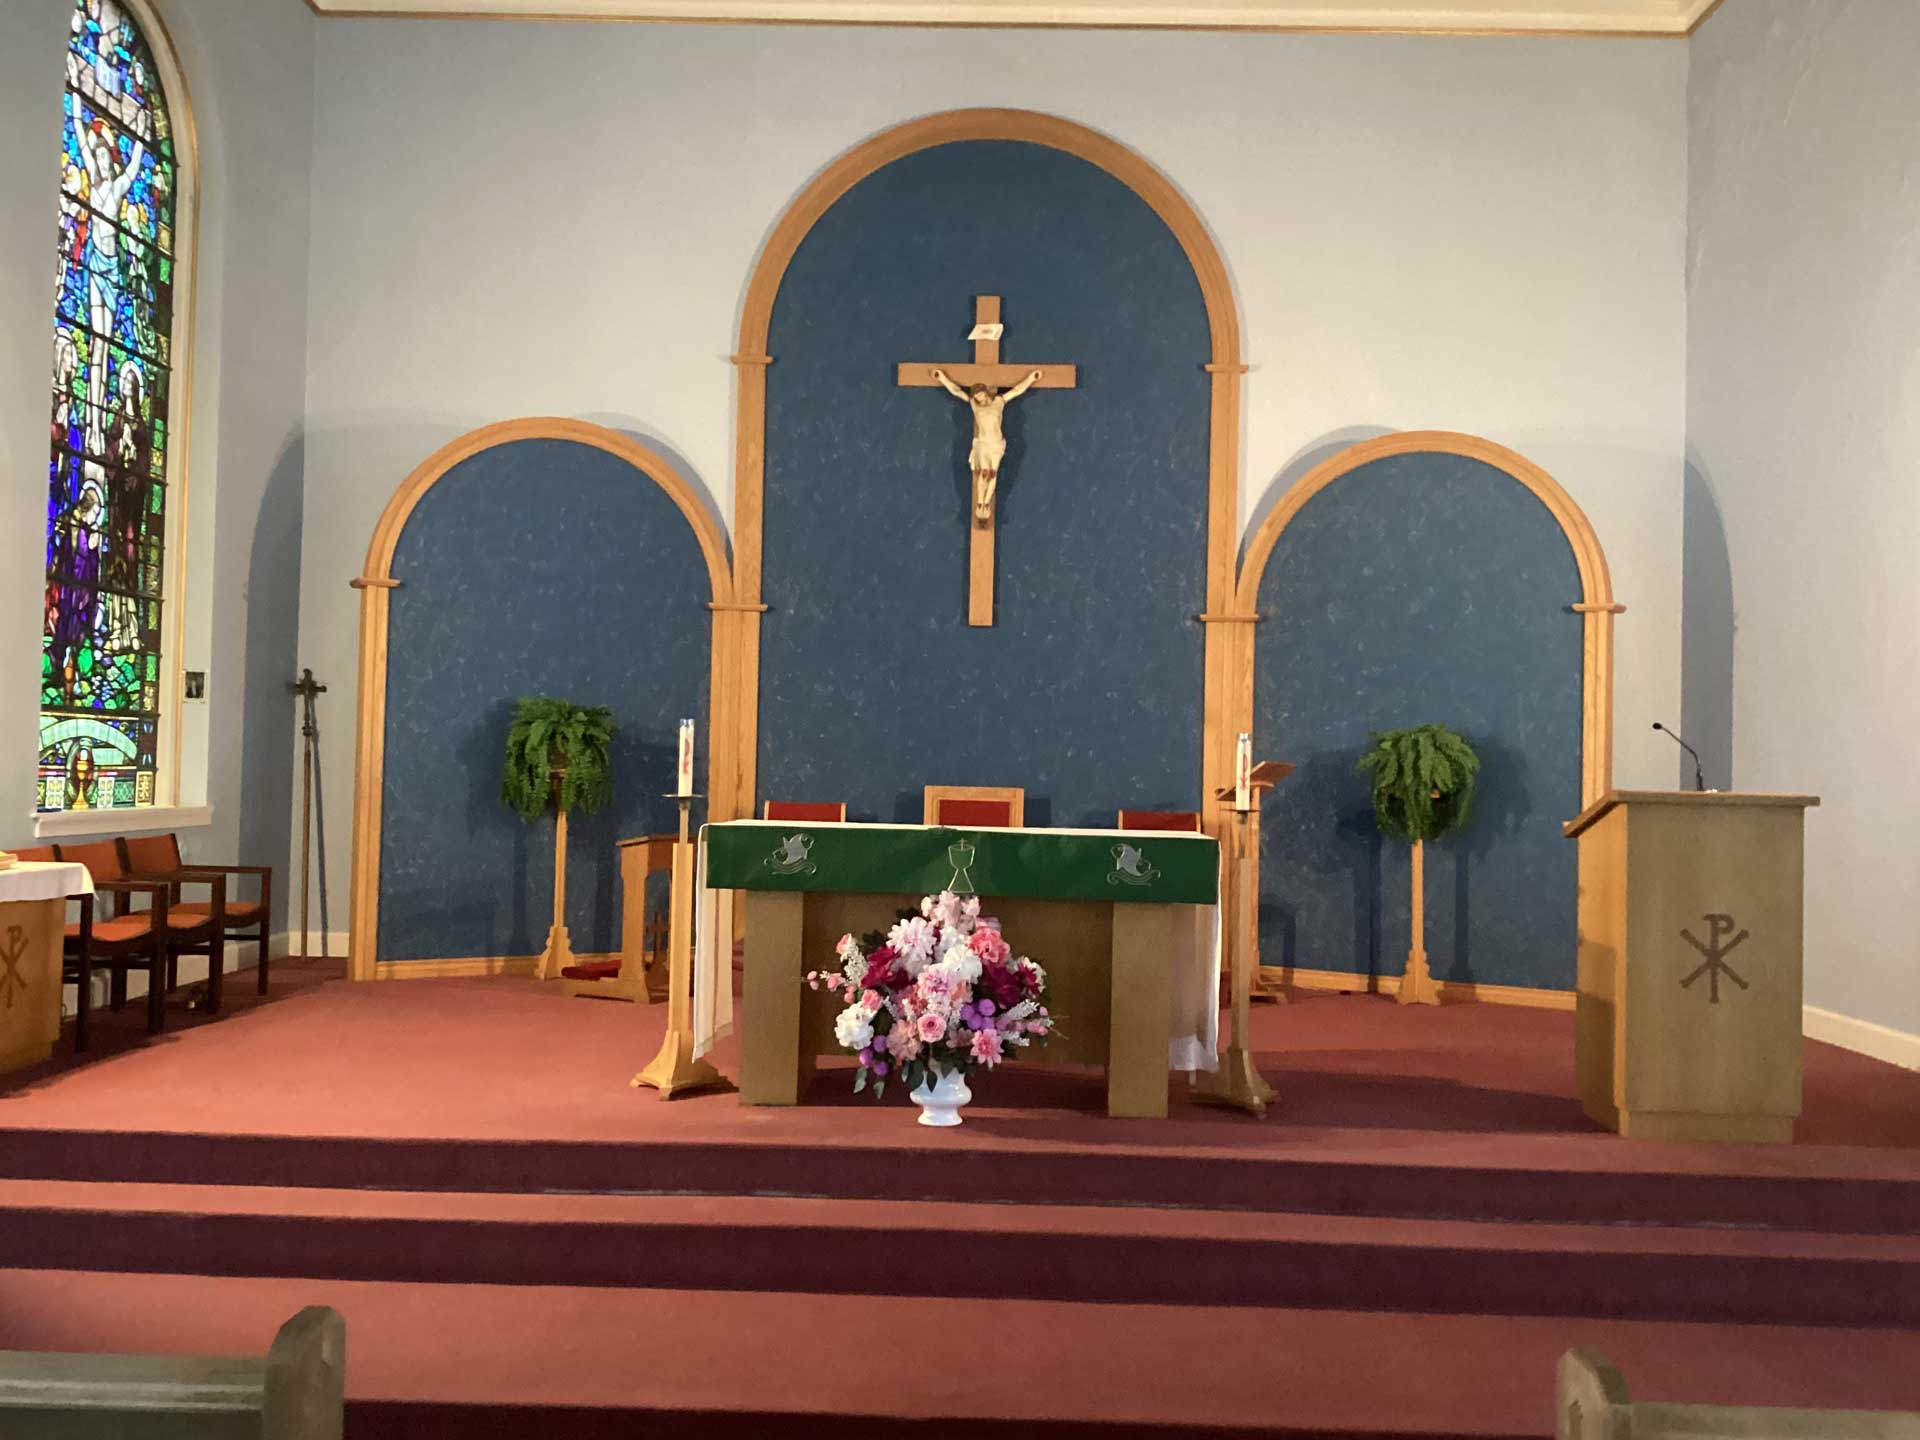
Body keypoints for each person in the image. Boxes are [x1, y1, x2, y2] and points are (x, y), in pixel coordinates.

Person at [931, 368, 1042, 523]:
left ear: (985, 392)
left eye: (980, 394)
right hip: (983, 444)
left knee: (992, 474)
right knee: (983, 474)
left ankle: (986, 502)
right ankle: (980, 502)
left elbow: (1017, 390)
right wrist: (942, 378)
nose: (978, 397)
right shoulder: (975, 406)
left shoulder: (999, 402)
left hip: (995, 444)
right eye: (976, 396)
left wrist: (1031, 379)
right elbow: (957, 391)